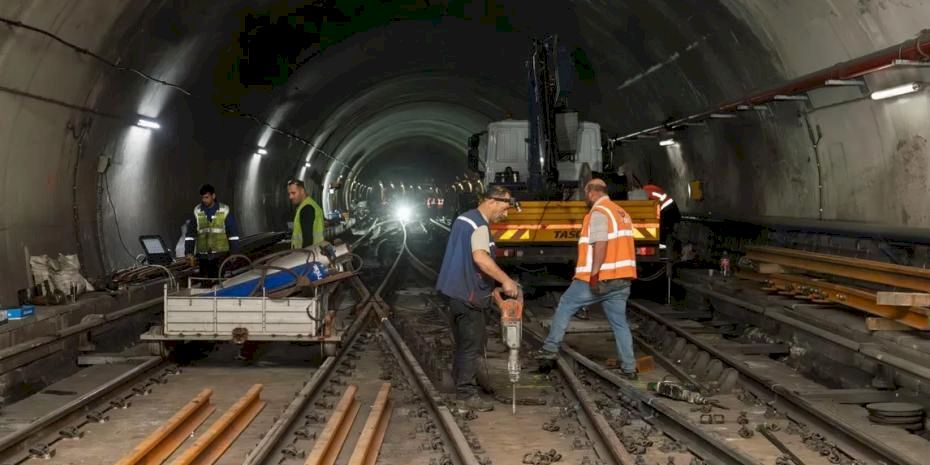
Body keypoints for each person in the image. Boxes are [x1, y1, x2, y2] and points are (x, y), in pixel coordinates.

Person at [535, 178, 639, 380]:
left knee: (565, 305)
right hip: (622, 280)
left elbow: (601, 244)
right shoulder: (621, 212)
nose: (585, 198)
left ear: (592, 192)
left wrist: (594, 274)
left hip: (600, 278)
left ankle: (548, 352)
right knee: (619, 323)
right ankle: (629, 367)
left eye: (585, 194)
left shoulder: (599, 213)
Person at [436, 185, 519, 412]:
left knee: (464, 343)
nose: (506, 212)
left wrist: (499, 301)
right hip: (468, 296)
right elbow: (481, 260)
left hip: (455, 292)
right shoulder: (480, 226)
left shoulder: (464, 220)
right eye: (505, 206)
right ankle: (466, 394)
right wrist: (506, 281)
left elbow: (474, 268)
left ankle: (459, 383)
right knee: (472, 345)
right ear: (492, 201)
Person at [185, 184, 240, 282]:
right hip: (203, 257)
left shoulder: (224, 210)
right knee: (205, 284)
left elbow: (233, 235)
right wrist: (189, 252)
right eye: (203, 198)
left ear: (213, 196)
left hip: (220, 256)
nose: (204, 200)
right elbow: (190, 235)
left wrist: (234, 253)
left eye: (207, 197)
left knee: (220, 285)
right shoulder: (197, 211)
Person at [287, 179, 324, 248]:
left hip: (309, 254)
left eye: (293, 193)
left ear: (302, 191)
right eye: (289, 194)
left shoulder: (307, 208)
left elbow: (308, 239)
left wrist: (304, 257)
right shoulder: (310, 204)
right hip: (316, 251)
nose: (290, 197)